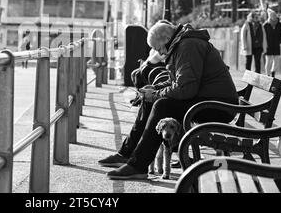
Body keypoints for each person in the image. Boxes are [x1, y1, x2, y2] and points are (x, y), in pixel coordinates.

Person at [98, 22, 239, 180]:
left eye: (158, 48)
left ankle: (138, 165)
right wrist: (155, 89)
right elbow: (178, 82)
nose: (159, 53)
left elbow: (186, 89)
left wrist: (157, 94)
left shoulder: (188, 46)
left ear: (166, 38)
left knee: (162, 105)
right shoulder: (181, 44)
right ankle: (128, 153)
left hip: (219, 106)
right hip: (206, 99)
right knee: (151, 99)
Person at [263, 9, 281, 77]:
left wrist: (279, 41)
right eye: (272, 15)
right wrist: (264, 44)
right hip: (268, 45)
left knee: (276, 61)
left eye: (274, 15)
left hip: (276, 45)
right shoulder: (266, 25)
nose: (274, 16)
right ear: (269, 16)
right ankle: (267, 74)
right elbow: (263, 35)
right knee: (268, 61)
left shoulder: (279, 24)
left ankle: (273, 73)